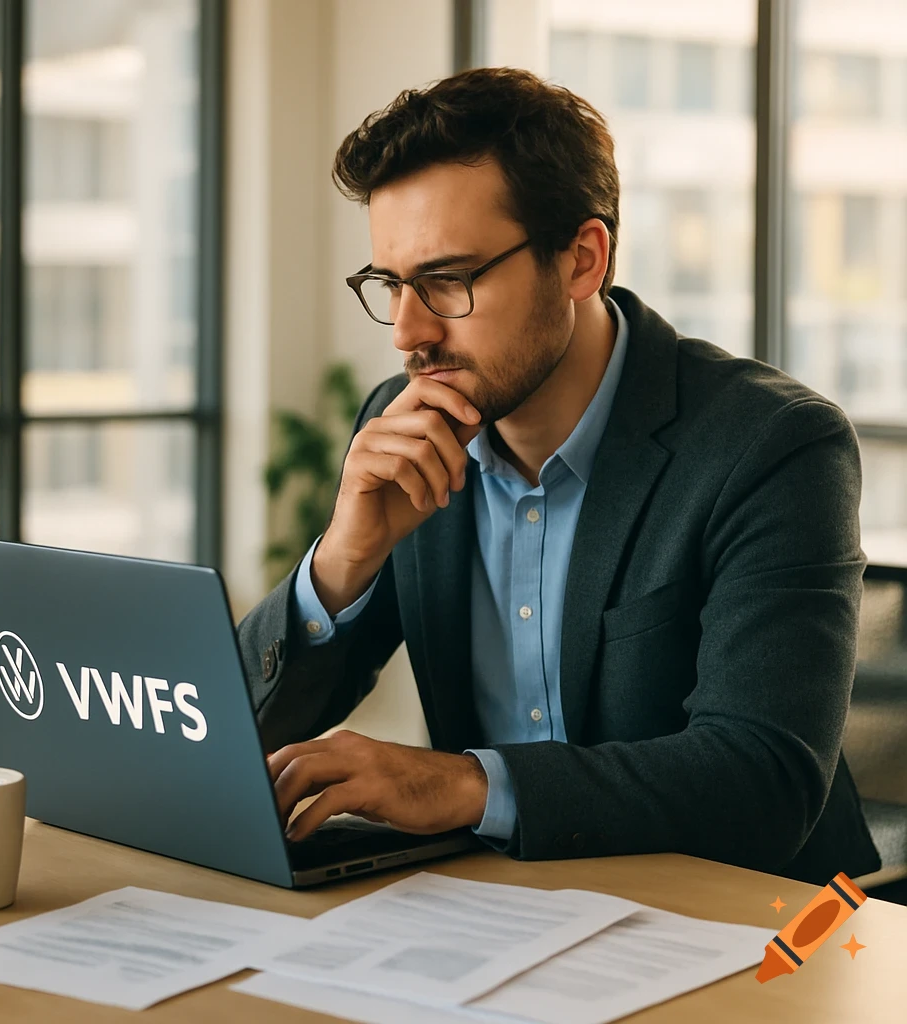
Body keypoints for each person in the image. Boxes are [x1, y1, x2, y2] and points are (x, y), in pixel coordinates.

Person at [237, 66, 880, 884]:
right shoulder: (404, 428)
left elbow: (764, 781)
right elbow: (239, 736)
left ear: (582, 260)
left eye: (448, 280)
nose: (408, 334)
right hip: (507, 917)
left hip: (757, 935)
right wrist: (338, 567)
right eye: (391, 284)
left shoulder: (771, 446)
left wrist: (469, 784)